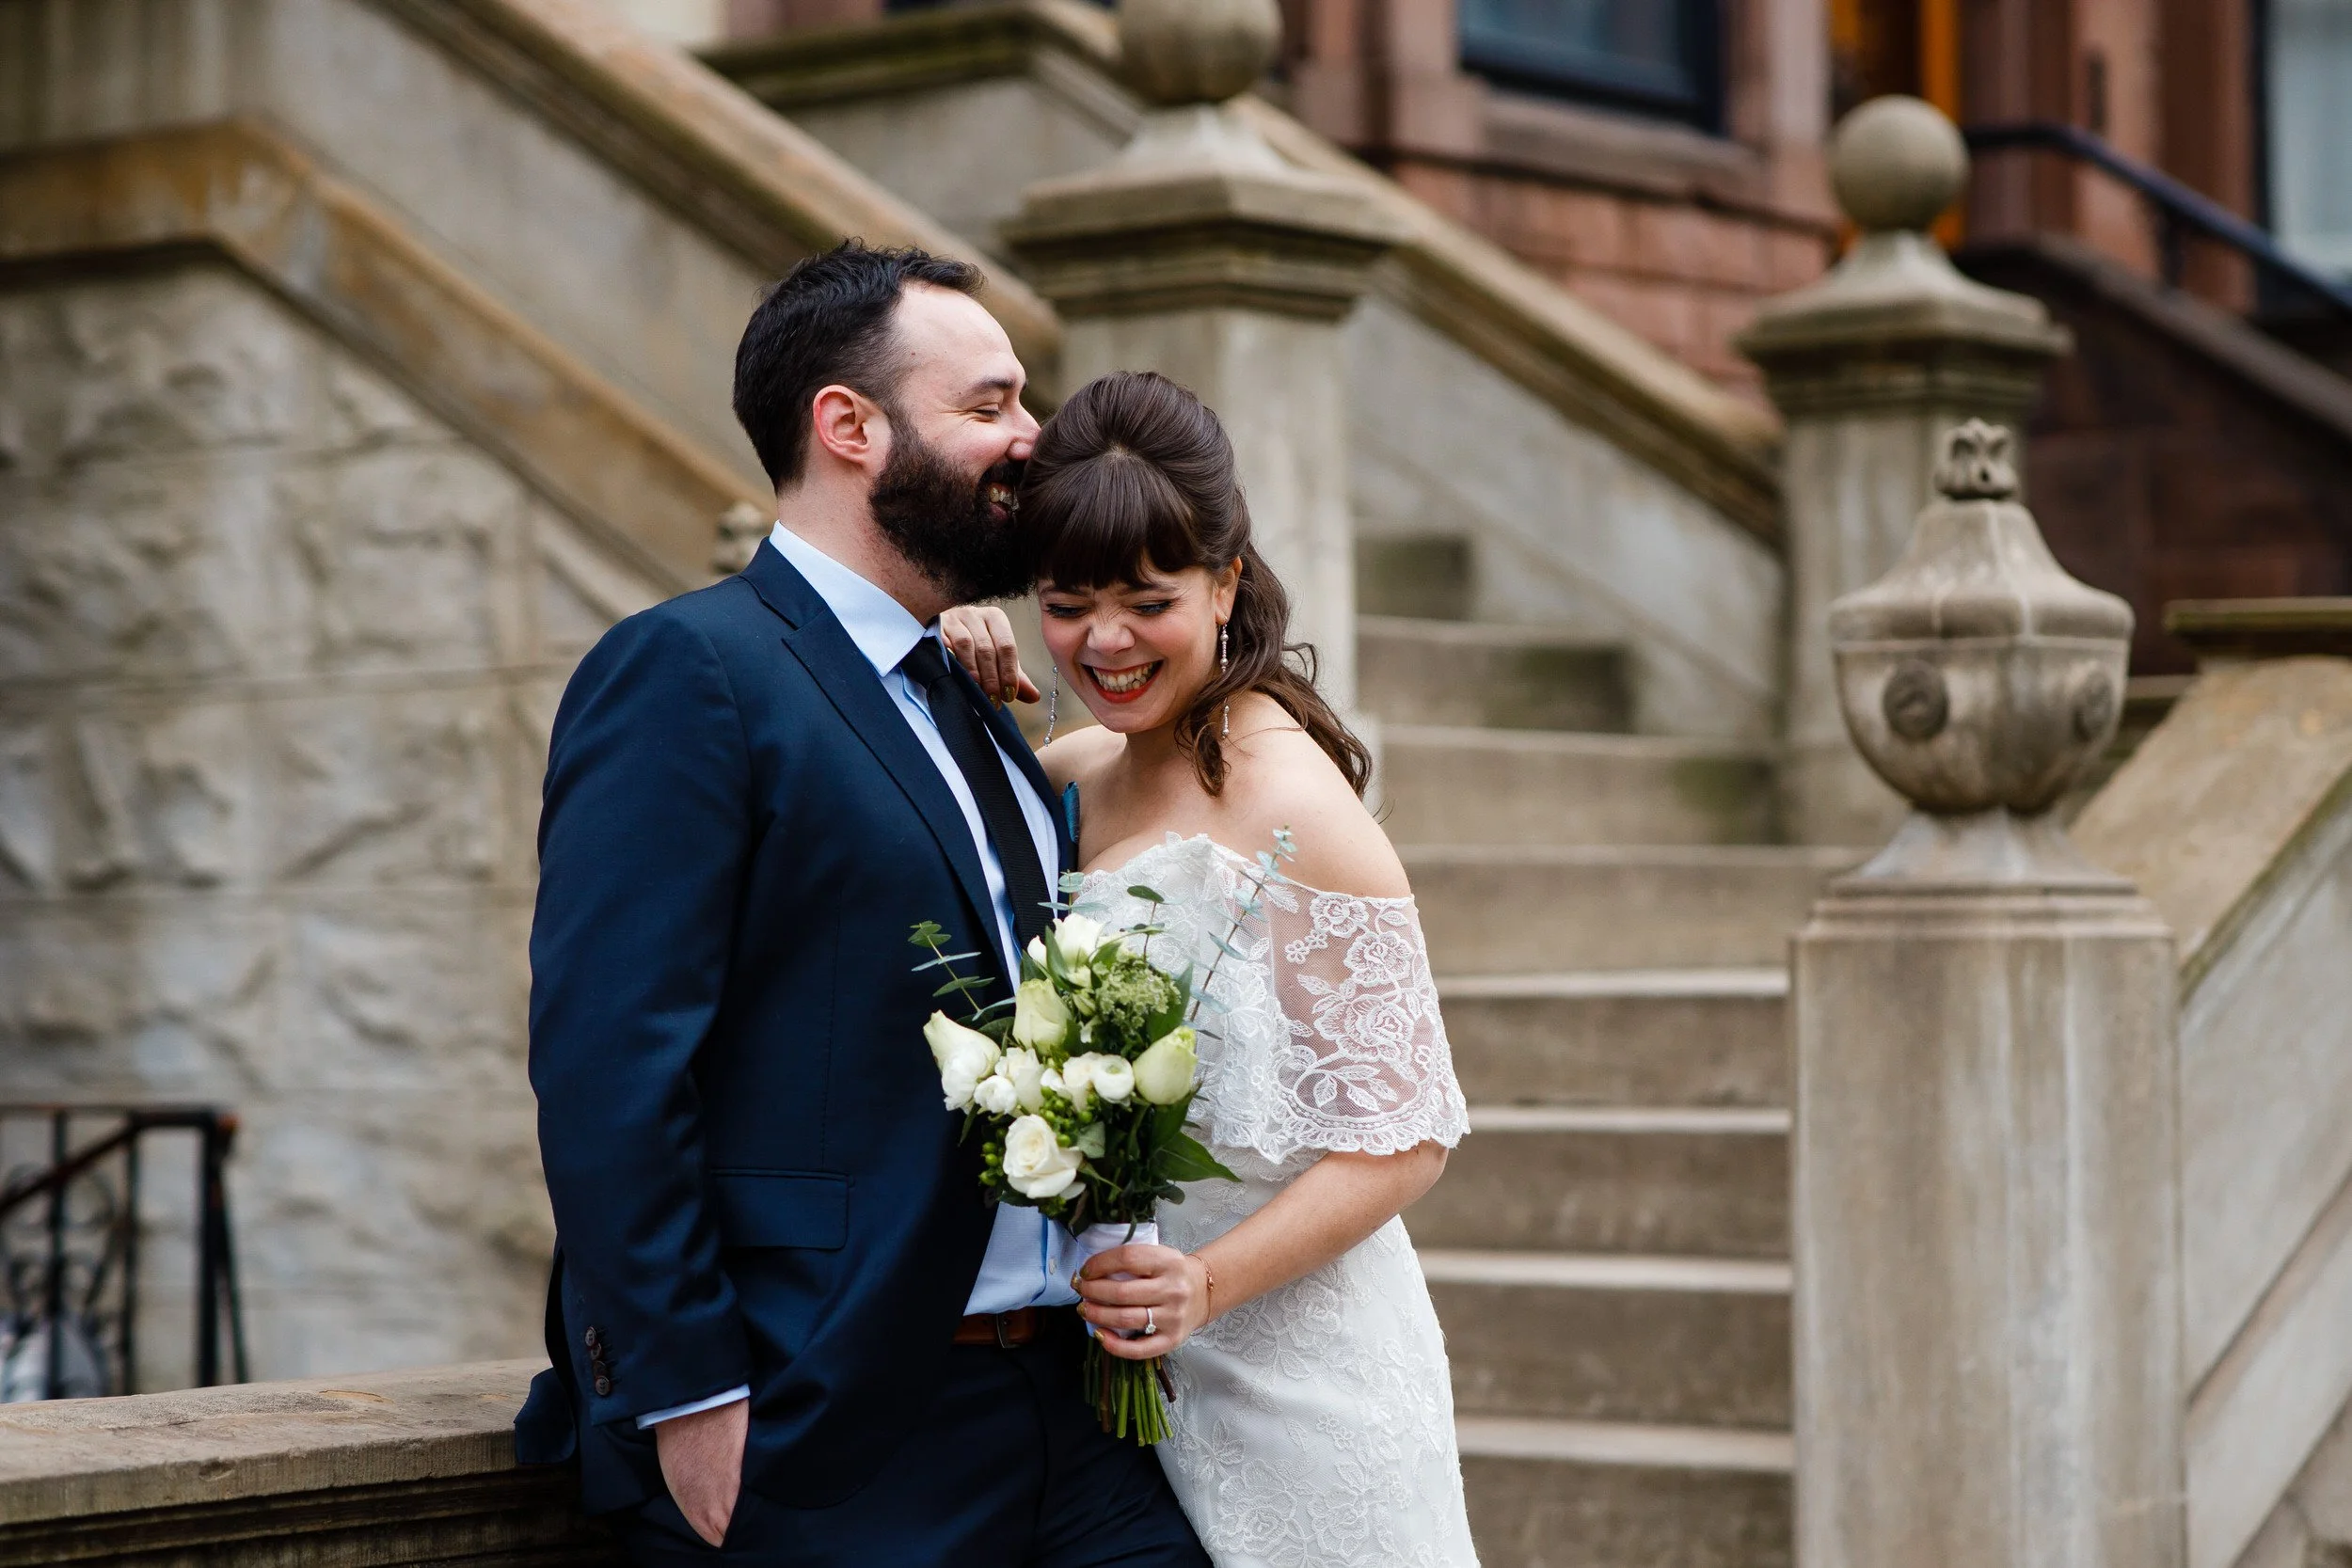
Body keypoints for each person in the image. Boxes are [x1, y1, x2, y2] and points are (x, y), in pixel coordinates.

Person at [516, 243, 1210, 1567]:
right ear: (850, 425)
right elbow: (612, 1058)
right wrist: (687, 1384)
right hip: (836, 1434)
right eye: (993, 402)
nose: (1034, 438)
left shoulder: (976, 693)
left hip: (1074, 1413)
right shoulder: (689, 669)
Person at [940, 371, 1479, 1567]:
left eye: (1147, 600)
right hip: (1125, 1375)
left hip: (1302, 1380)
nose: (1105, 641)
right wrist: (949, 646)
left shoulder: (1300, 809)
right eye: (1067, 604)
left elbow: (1404, 1136)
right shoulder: (1077, 766)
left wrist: (1205, 1284)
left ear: (1227, 581)